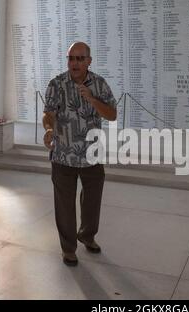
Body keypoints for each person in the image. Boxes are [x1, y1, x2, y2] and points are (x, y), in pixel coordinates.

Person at [43, 42, 117, 266]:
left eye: (79, 58)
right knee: (64, 204)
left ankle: (87, 235)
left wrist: (92, 99)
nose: (74, 63)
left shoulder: (99, 84)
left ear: (89, 61)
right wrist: (48, 128)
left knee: (92, 201)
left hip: (92, 155)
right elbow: (49, 113)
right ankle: (68, 248)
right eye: (71, 58)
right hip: (63, 155)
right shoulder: (57, 83)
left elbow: (112, 115)